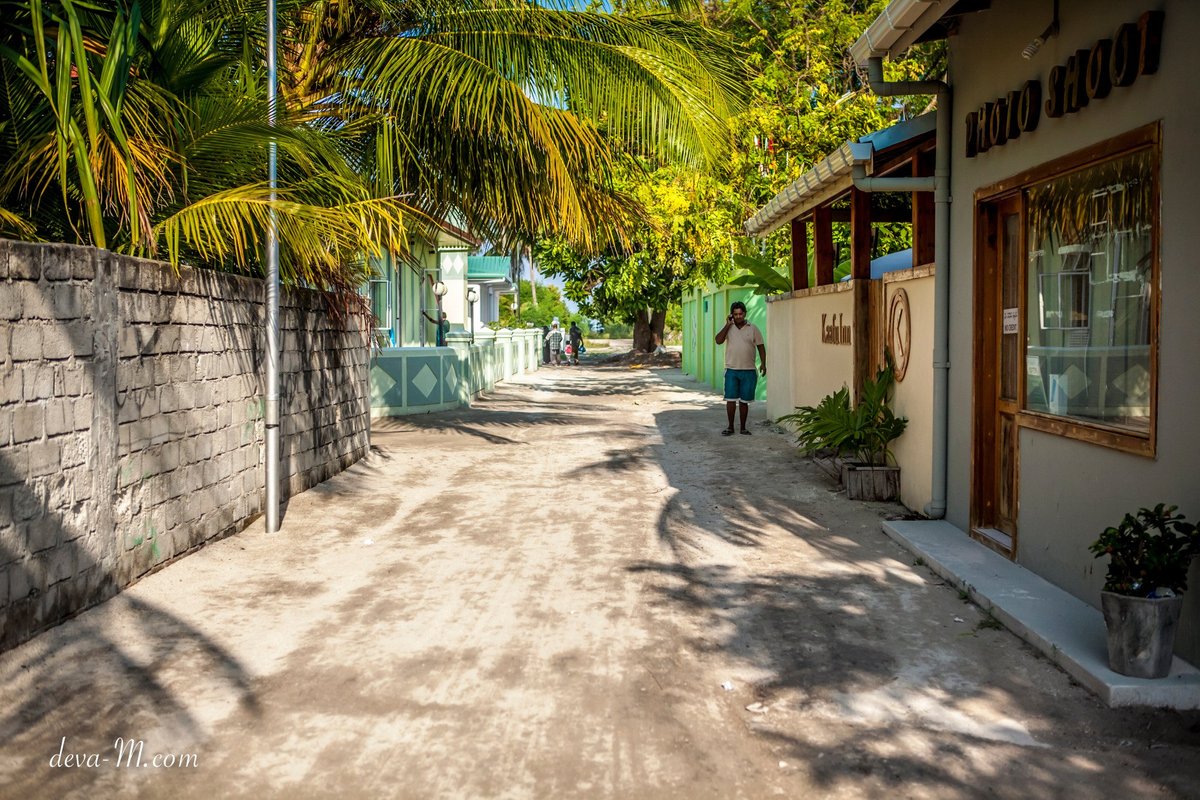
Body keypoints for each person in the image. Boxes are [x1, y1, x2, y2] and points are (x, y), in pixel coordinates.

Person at [714, 301, 766, 436]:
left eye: (740, 314)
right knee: (730, 400)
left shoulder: (753, 328)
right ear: (732, 315)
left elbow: (761, 346)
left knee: (744, 401)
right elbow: (718, 340)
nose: (738, 316)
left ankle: (743, 428)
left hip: (748, 371)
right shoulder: (728, 328)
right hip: (731, 370)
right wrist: (727, 324)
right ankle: (730, 427)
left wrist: (763, 364)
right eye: (735, 314)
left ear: (745, 313)